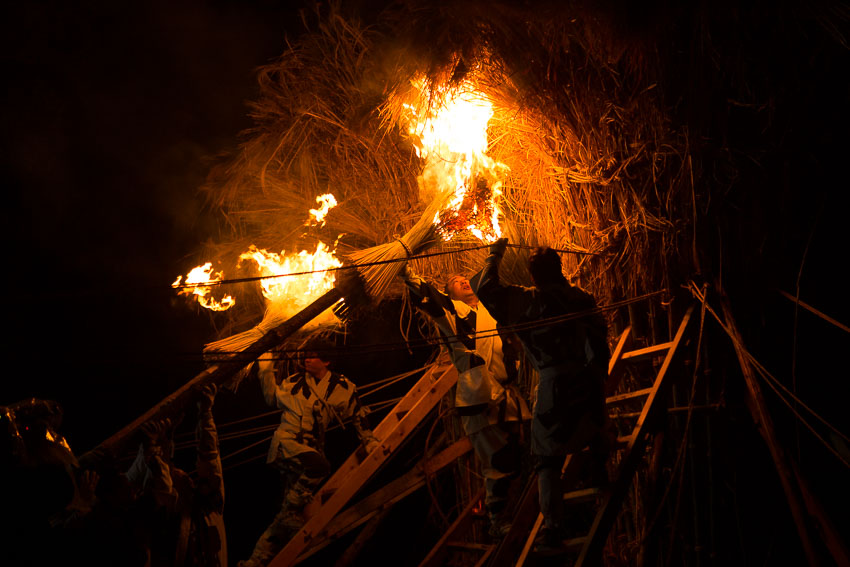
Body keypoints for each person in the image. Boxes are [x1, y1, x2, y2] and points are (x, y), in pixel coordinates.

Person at [471, 238, 610, 552]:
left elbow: (483, 286)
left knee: (547, 461)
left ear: (533, 277)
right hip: (583, 378)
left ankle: (553, 527)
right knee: (594, 424)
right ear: (559, 268)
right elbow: (599, 339)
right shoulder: (580, 297)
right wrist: (598, 374)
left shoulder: (525, 302)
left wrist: (495, 253)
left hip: (552, 387)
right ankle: (601, 468)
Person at [402, 265, 531, 537]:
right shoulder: (451, 315)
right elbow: (429, 296)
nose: (462, 281)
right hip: (480, 395)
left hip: (509, 396)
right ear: (448, 295)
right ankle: (498, 520)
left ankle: (523, 512)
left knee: (521, 457)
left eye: (465, 278)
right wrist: (407, 272)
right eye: (455, 282)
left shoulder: (493, 310)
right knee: (497, 461)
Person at [239, 339, 379, 567]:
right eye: (305, 355)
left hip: (310, 450)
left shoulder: (341, 387)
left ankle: (256, 561)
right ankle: (288, 513)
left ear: (326, 361)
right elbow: (271, 398)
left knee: (286, 515)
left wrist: (369, 440)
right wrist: (265, 365)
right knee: (320, 467)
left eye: (313, 356)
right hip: (288, 446)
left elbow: (357, 414)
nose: (306, 359)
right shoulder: (293, 383)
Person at [125, 383, 227, 567]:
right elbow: (161, 485)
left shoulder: (207, 508)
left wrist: (206, 414)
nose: (187, 477)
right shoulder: (200, 511)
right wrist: (205, 414)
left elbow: (210, 460)